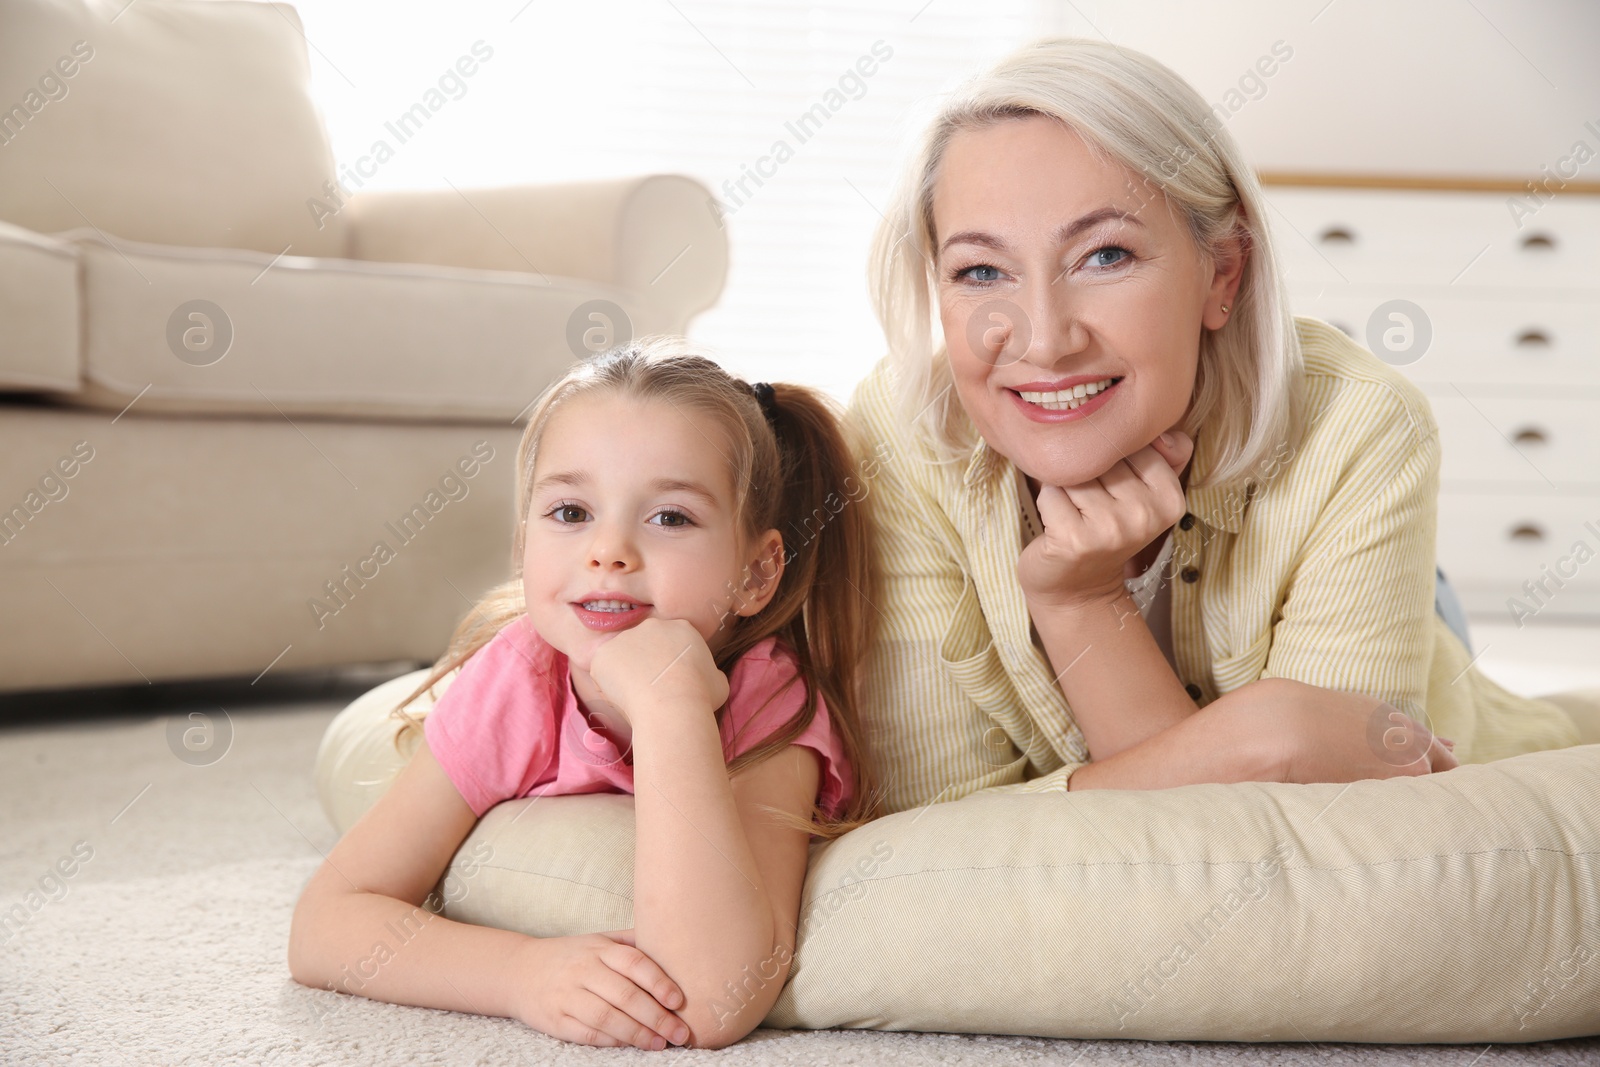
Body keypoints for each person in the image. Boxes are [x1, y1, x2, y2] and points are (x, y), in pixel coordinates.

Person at [849, 36, 1587, 811]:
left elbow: (1323, 856)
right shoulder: (895, 439)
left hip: (1448, 692)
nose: (1045, 340)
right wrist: (1262, 730)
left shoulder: (1364, 425)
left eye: (1105, 256)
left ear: (1223, 271)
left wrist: (1084, 607)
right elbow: (931, 835)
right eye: (981, 271)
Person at [288, 337, 880, 1050]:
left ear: (756, 574)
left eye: (670, 517)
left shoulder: (767, 692)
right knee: (363, 740)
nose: (609, 551)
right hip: (419, 702)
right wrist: (520, 973)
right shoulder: (518, 677)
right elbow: (323, 926)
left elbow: (712, 997)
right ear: (522, 543)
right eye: (571, 512)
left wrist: (669, 706)